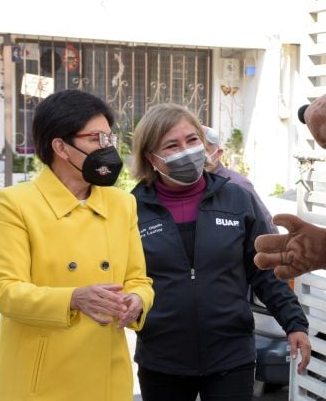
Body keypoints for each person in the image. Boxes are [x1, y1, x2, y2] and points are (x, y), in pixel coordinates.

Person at [130, 103, 311, 401]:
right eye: (172, 145)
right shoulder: (132, 209)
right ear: (152, 158)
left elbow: (263, 272)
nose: (186, 150)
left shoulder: (237, 199)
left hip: (231, 356)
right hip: (162, 359)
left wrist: (294, 323)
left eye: (192, 140)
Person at [0, 89, 154, 401]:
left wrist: (138, 300)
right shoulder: (15, 203)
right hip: (40, 382)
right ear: (61, 146)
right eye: (95, 139)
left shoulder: (122, 203)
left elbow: (139, 279)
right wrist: (73, 299)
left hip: (107, 376)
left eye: (109, 139)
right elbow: (4, 289)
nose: (107, 148)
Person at [203, 125, 278, 233]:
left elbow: (267, 226)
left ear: (218, 153)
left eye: (204, 149)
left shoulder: (237, 183)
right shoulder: (190, 184)